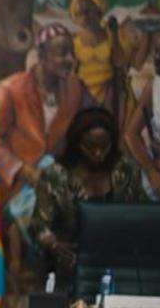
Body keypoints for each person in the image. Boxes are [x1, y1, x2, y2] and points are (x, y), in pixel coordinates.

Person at [0, 23, 85, 290]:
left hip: (52, 177)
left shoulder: (75, 89)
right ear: (41, 55)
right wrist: (21, 168)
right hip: (14, 183)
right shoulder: (10, 89)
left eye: (71, 53)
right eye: (61, 53)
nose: (69, 60)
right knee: (39, 216)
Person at [31, 106, 148, 285]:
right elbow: (39, 225)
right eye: (90, 146)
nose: (98, 153)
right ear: (77, 143)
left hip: (117, 262)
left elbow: (143, 214)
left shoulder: (125, 170)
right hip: (68, 262)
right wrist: (54, 244)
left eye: (104, 146)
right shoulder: (56, 175)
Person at [123, 29, 160, 200]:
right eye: (156, 51)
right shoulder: (153, 87)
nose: (157, 57)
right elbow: (131, 134)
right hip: (155, 165)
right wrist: (152, 171)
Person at [70, 0, 124, 116]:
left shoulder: (111, 34)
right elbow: (72, 72)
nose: (84, 17)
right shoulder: (75, 42)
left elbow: (119, 62)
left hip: (109, 89)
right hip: (84, 91)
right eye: (79, 13)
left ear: (98, 11)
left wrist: (115, 35)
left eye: (88, 11)